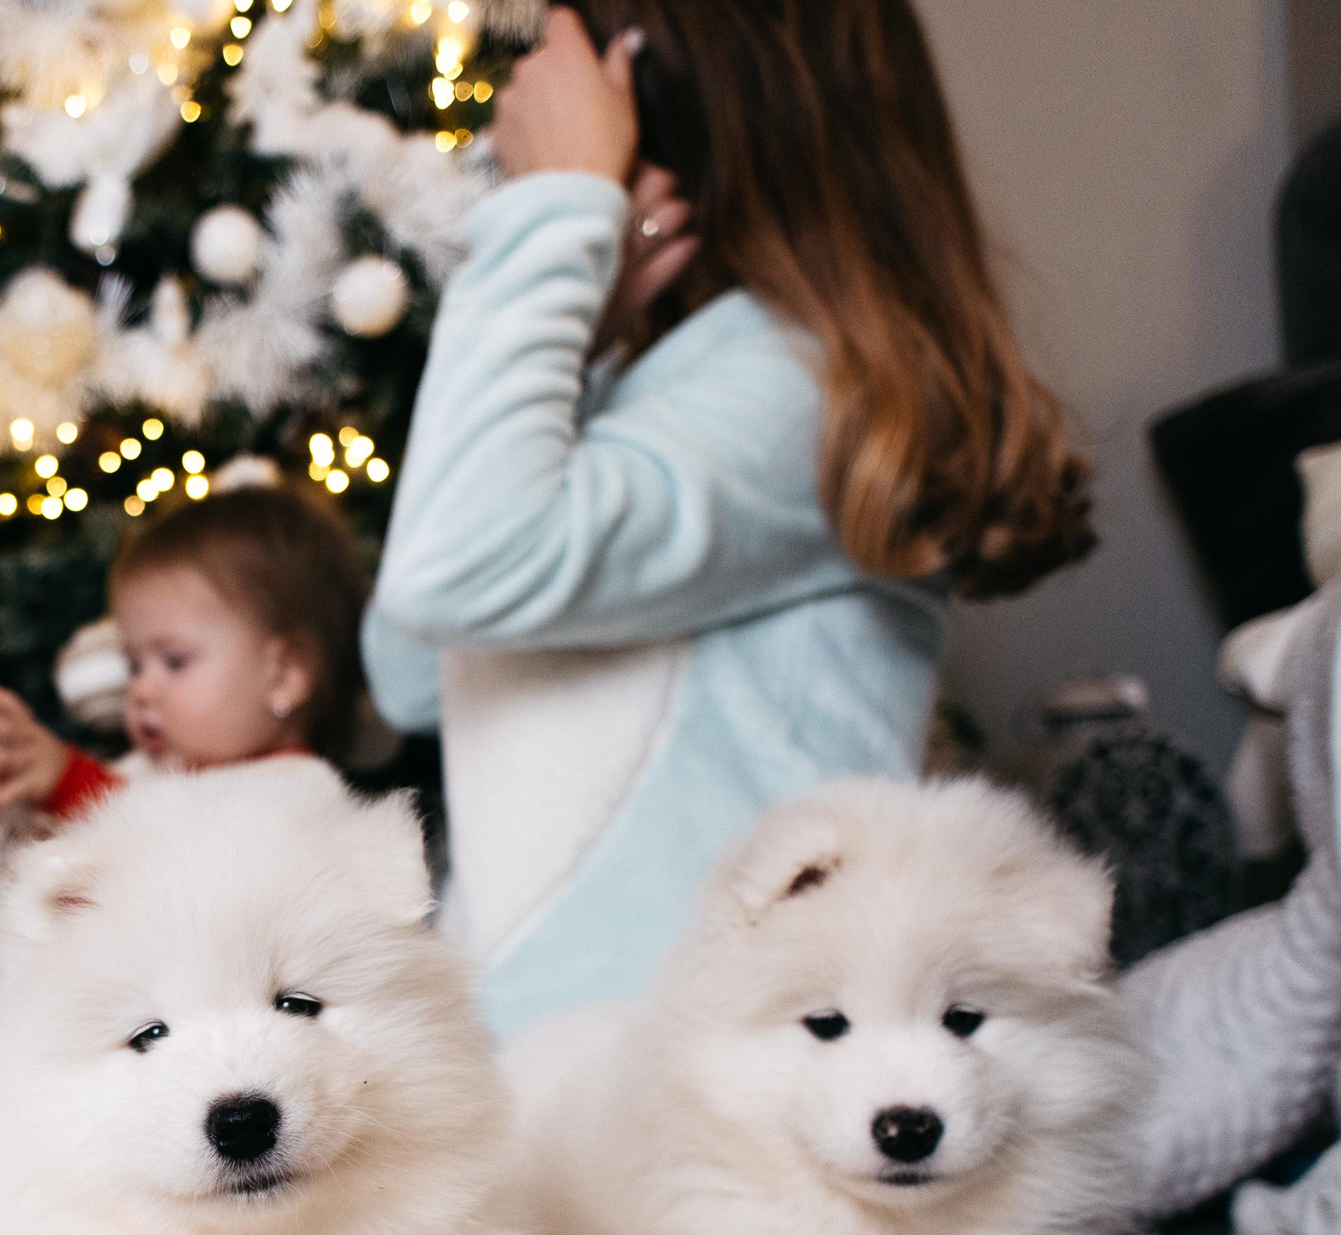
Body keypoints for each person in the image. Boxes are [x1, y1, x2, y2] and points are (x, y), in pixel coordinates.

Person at [364, 0, 1094, 1039]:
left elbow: (450, 573)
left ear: (646, 83)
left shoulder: (799, 385)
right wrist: (574, 352)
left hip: (702, 1081)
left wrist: (554, 209)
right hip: (560, 1068)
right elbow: (408, 668)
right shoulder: (663, 383)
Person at [0, 480, 370, 818]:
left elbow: (169, 853)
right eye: (134, 665)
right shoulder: (167, 765)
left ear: (283, 676)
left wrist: (69, 781)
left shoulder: (298, 791)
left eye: (175, 661)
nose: (140, 691)